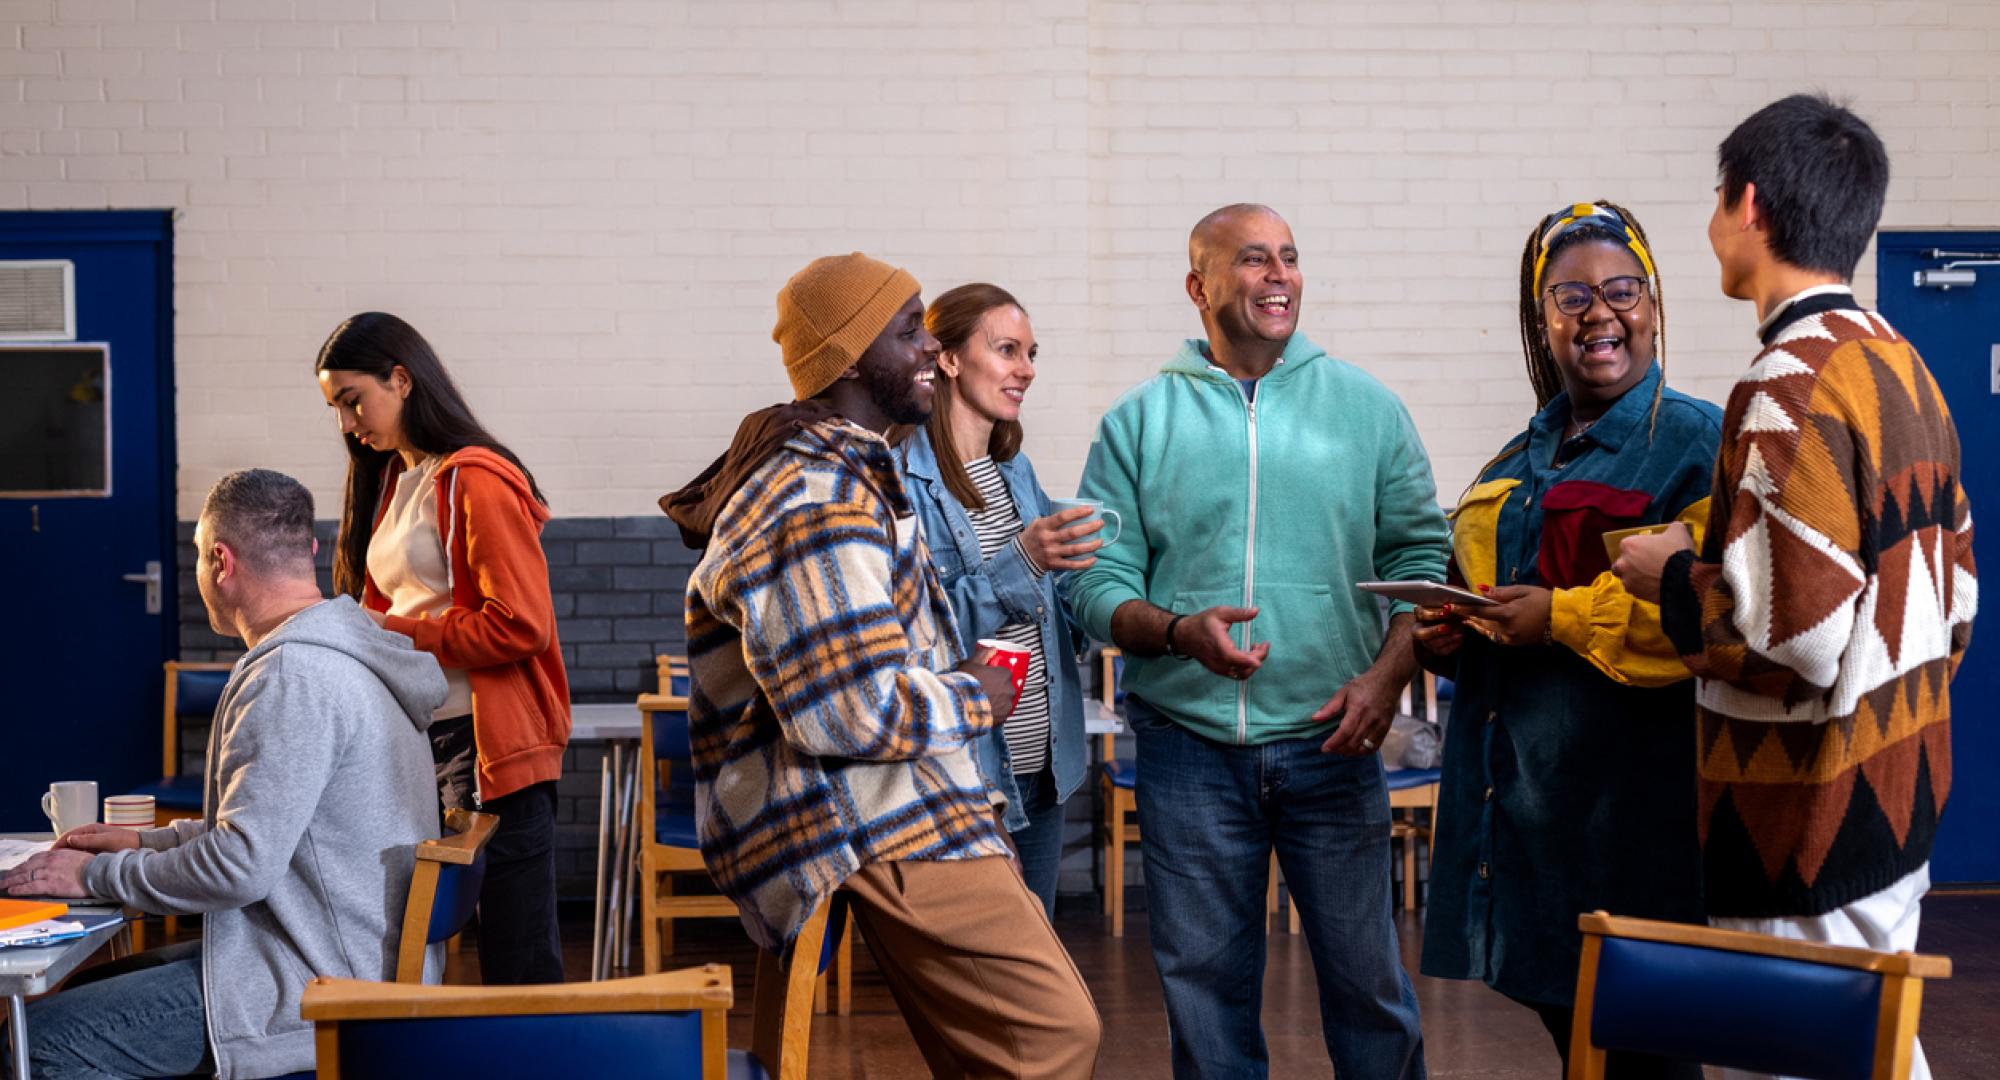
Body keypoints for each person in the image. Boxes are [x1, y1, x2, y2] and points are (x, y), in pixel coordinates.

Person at [662, 253, 1101, 1077]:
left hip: (896, 799)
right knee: (1055, 1035)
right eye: (910, 332)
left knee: (993, 1050)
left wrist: (974, 801)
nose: (931, 352)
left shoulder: (850, 474)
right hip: (863, 813)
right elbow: (849, 713)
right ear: (851, 355)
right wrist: (977, 692)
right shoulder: (817, 496)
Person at [1615, 95, 1977, 1080]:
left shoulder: (1785, 384)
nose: (1708, 226)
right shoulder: (1903, 368)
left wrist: (1667, 578)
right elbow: (1954, 611)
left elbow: (1796, 642)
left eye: (1712, 200)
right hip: (1894, 798)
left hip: (1802, 818)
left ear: (1746, 204)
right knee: (1876, 1056)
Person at [1068, 204, 1441, 1079]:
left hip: (1334, 739)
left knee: (1369, 989)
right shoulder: (1138, 421)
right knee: (1205, 997)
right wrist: (1173, 633)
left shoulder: (1367, 407)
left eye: (1290, 258)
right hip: (1187, 749)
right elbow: (1094, 584)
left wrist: (1385, 683)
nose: (1278, 274)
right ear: (1199, 288)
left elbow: (1423, 560)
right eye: (1252, 259)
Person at [2, 468, 444, 1079]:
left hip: (318, 989)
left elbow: (242, 865)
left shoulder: (293, 676)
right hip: (336, 956)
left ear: (220, 560)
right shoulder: (348, 648)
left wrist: (98, 874)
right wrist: (147, 841)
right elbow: (276, 833)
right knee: (80, 997)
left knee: (38, 1043)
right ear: (309, 550)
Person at [1413, 202, 1719, 1079]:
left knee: (1646, 1053)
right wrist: (1450, 633)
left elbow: (1709, 619)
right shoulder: (1513, 462)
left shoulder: (1695, 447)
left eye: (1621, 290)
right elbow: (1481, 599)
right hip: (1522, 823)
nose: (1598, 313)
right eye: (1570, 296)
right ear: (1539, 318)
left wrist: (1558, 615)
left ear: (1654, 305)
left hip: (1634, 822)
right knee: (1578, 1041)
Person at [315, 312, 570, 985]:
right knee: (427, 941)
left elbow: (521, 626)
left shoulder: (474, 476)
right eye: (336, 409)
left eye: (352, 401)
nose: (348, 424)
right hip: (427, 740)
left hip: (490, 745)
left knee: (518, 963)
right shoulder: (396, 483)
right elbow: (386, 611)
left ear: (401, 379)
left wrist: (391, 632)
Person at [899, 282, 1099, 917]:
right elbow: (917, 629)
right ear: (950, 359)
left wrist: (1107, 590)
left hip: (1041, 766)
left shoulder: (1016, 472)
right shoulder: (903, 479)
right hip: (972, 776)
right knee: (990, 977)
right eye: (1008, 350)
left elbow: (1049, 614)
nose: (1026, 370)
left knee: (1033, 949)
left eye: (1031, 353)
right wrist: (1027, 560)